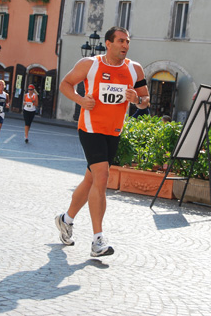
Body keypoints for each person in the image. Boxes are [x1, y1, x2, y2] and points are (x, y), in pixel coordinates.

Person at [55, 26, 150, 257]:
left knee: (90, 180)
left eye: (127, 41)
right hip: (90, 129)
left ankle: (65, 219)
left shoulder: (134, 69)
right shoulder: (91, 64)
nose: (125, 45)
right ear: (108, 43)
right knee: (102, 177)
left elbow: (146, 100)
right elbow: (65, 84)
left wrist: (137, 99)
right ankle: (98, 241)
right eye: (120, 41)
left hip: (114, 131)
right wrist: (80, 100)